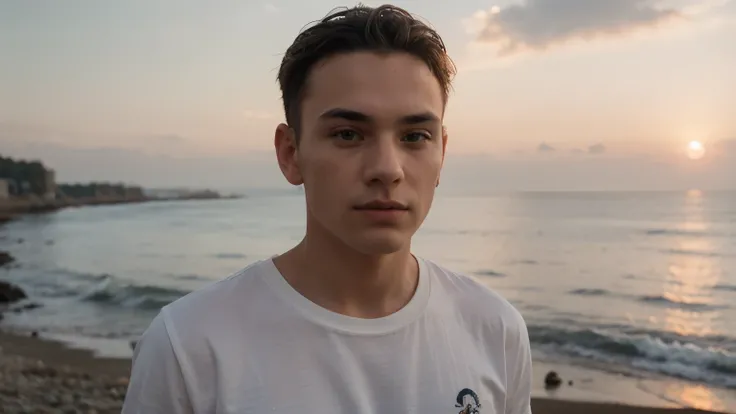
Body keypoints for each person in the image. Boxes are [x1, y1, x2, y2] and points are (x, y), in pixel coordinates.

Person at [121, 4, 533, 413]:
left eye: (414, 136)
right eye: (349, 134)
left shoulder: (494, 331)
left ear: (442, 153)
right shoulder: (190, 346)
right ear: (290, 153)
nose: (387, 170)